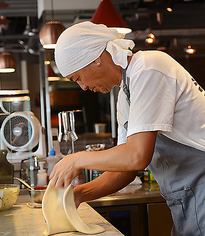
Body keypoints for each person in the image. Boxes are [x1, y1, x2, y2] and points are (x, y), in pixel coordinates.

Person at [50, 21, 205, 236]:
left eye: (78, 78)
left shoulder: (149, 66)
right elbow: (126, 169)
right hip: (186, 198)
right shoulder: (125, 96)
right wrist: (78, 195)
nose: (83, 87)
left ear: (94, 59)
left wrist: (78, 159)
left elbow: (137, 156)